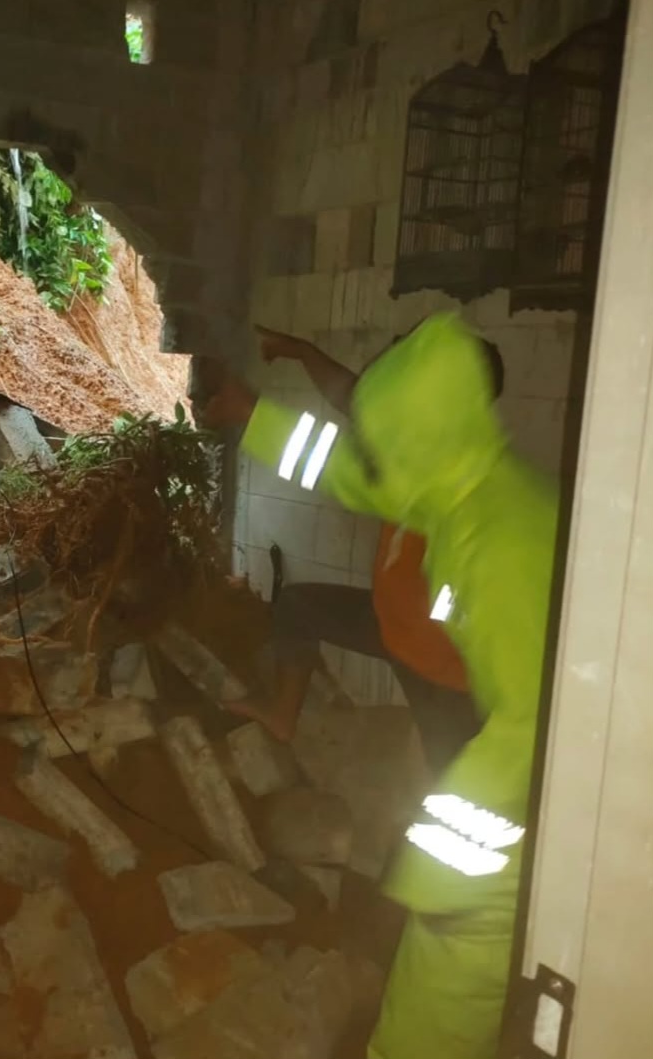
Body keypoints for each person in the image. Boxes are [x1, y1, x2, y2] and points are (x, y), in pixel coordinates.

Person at [208, 314, 558, 1059]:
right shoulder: (445, 480)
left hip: (476, 738)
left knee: (452, 964)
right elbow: (344, 471)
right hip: (412, 652)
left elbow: (537, 733)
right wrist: (256, 416)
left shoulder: (502, 538)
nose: (378, 451)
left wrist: (438, 864)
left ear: (427, 427)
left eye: (390, 431)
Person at [228, 325, 504, 777]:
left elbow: (336, 451)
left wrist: (252, 413)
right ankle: (282, 716)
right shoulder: (421, 439)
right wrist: (303, 350)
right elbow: (356, 399)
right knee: (298, 606)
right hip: (393, 623)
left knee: (454, 784)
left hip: (439, 662)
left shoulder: (458, 469)